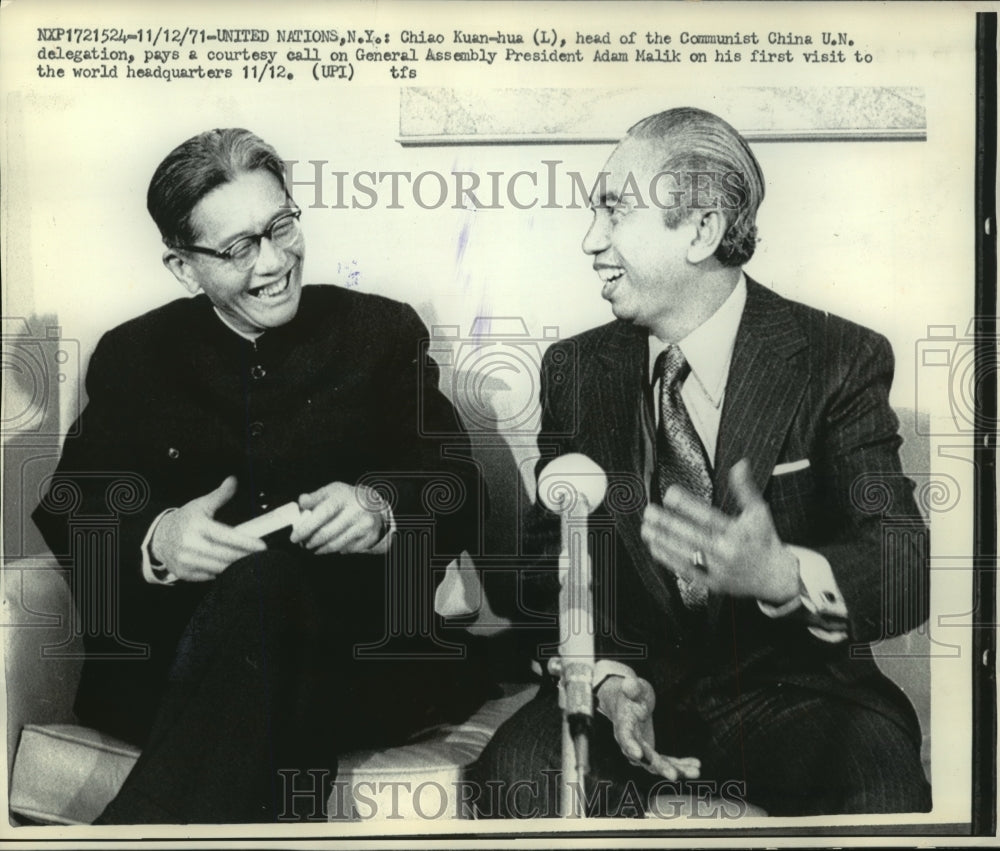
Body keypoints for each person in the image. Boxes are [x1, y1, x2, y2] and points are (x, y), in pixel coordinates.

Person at [473, 107, 931, 817]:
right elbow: (544, 572)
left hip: (796, 696)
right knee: (519, 782)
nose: (591, 240)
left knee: (880, 783)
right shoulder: (575, 369)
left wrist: (785, 575)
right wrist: (606, 679)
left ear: (701, 229)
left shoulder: (838, 357)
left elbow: (903, 561)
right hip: (633, 692)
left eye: (615, 210)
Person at [31, 128, 491, 823]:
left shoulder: (380, 332)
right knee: (262, 603)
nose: (275, 262)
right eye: (240, 247)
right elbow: (70, 503)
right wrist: (157, 535)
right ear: (185, 269)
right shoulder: (134, 355)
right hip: (175, 669)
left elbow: (458, 490)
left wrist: (381, 504)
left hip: (356, 667)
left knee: (270, 590)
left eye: (280, 227)